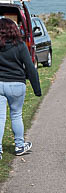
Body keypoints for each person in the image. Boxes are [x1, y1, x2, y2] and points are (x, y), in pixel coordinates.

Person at [0, 18, 41, 157]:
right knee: (16, 114)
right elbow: (30, 68)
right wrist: (37, 89)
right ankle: (19, 145)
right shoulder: (20, 45)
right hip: (17, 84)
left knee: (0, 118)